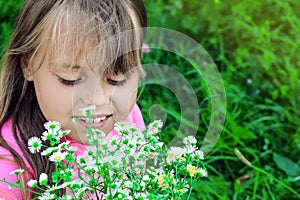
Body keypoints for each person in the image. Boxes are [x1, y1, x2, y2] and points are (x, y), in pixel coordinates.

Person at [0, 0, 147, 199]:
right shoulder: (10, 165)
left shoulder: (127, 119)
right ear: (28, 64)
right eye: (72, 80)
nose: (97, 99)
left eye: (116, 79)